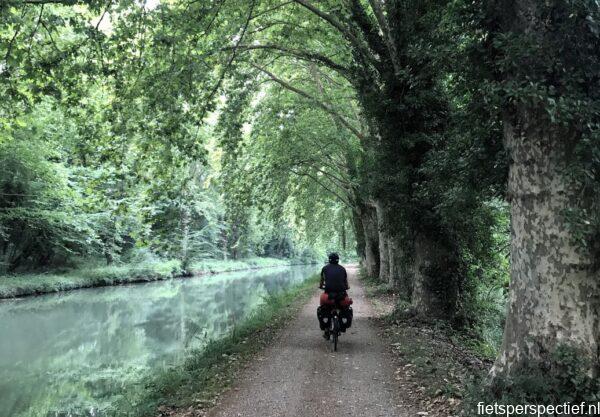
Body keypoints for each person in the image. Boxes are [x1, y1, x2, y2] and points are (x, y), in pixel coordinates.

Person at [317, 252, 352, 339]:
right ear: (338, 260)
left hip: (328, 296)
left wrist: (321, 286)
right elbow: (346, 283)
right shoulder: (342, 269)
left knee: (323, 307)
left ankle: (326, 329)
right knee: (345, 308)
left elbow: (321, 281)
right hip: (342, 295)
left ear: (329, 260)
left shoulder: (324, 268)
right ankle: (342, 326)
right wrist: (346, 287)